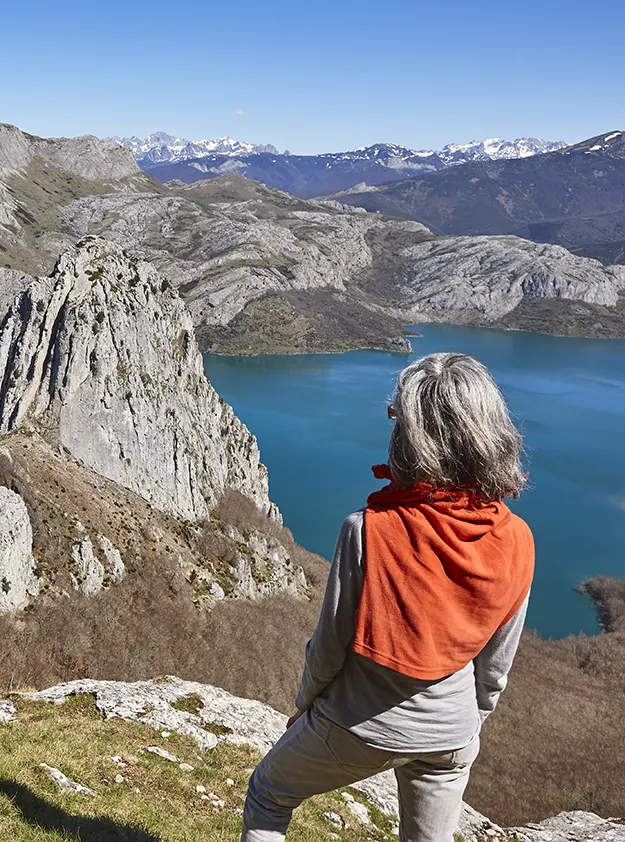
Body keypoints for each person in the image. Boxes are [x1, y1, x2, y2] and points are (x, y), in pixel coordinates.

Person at [241, 352, 535, 842]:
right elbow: (495, 666)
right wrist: (467, 722)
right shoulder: (518, 537)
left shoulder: (368, 529)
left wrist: (304, 707)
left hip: (359, 722)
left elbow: (330, 648)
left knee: (269, 794)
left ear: (412, 436)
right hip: (452, 733)